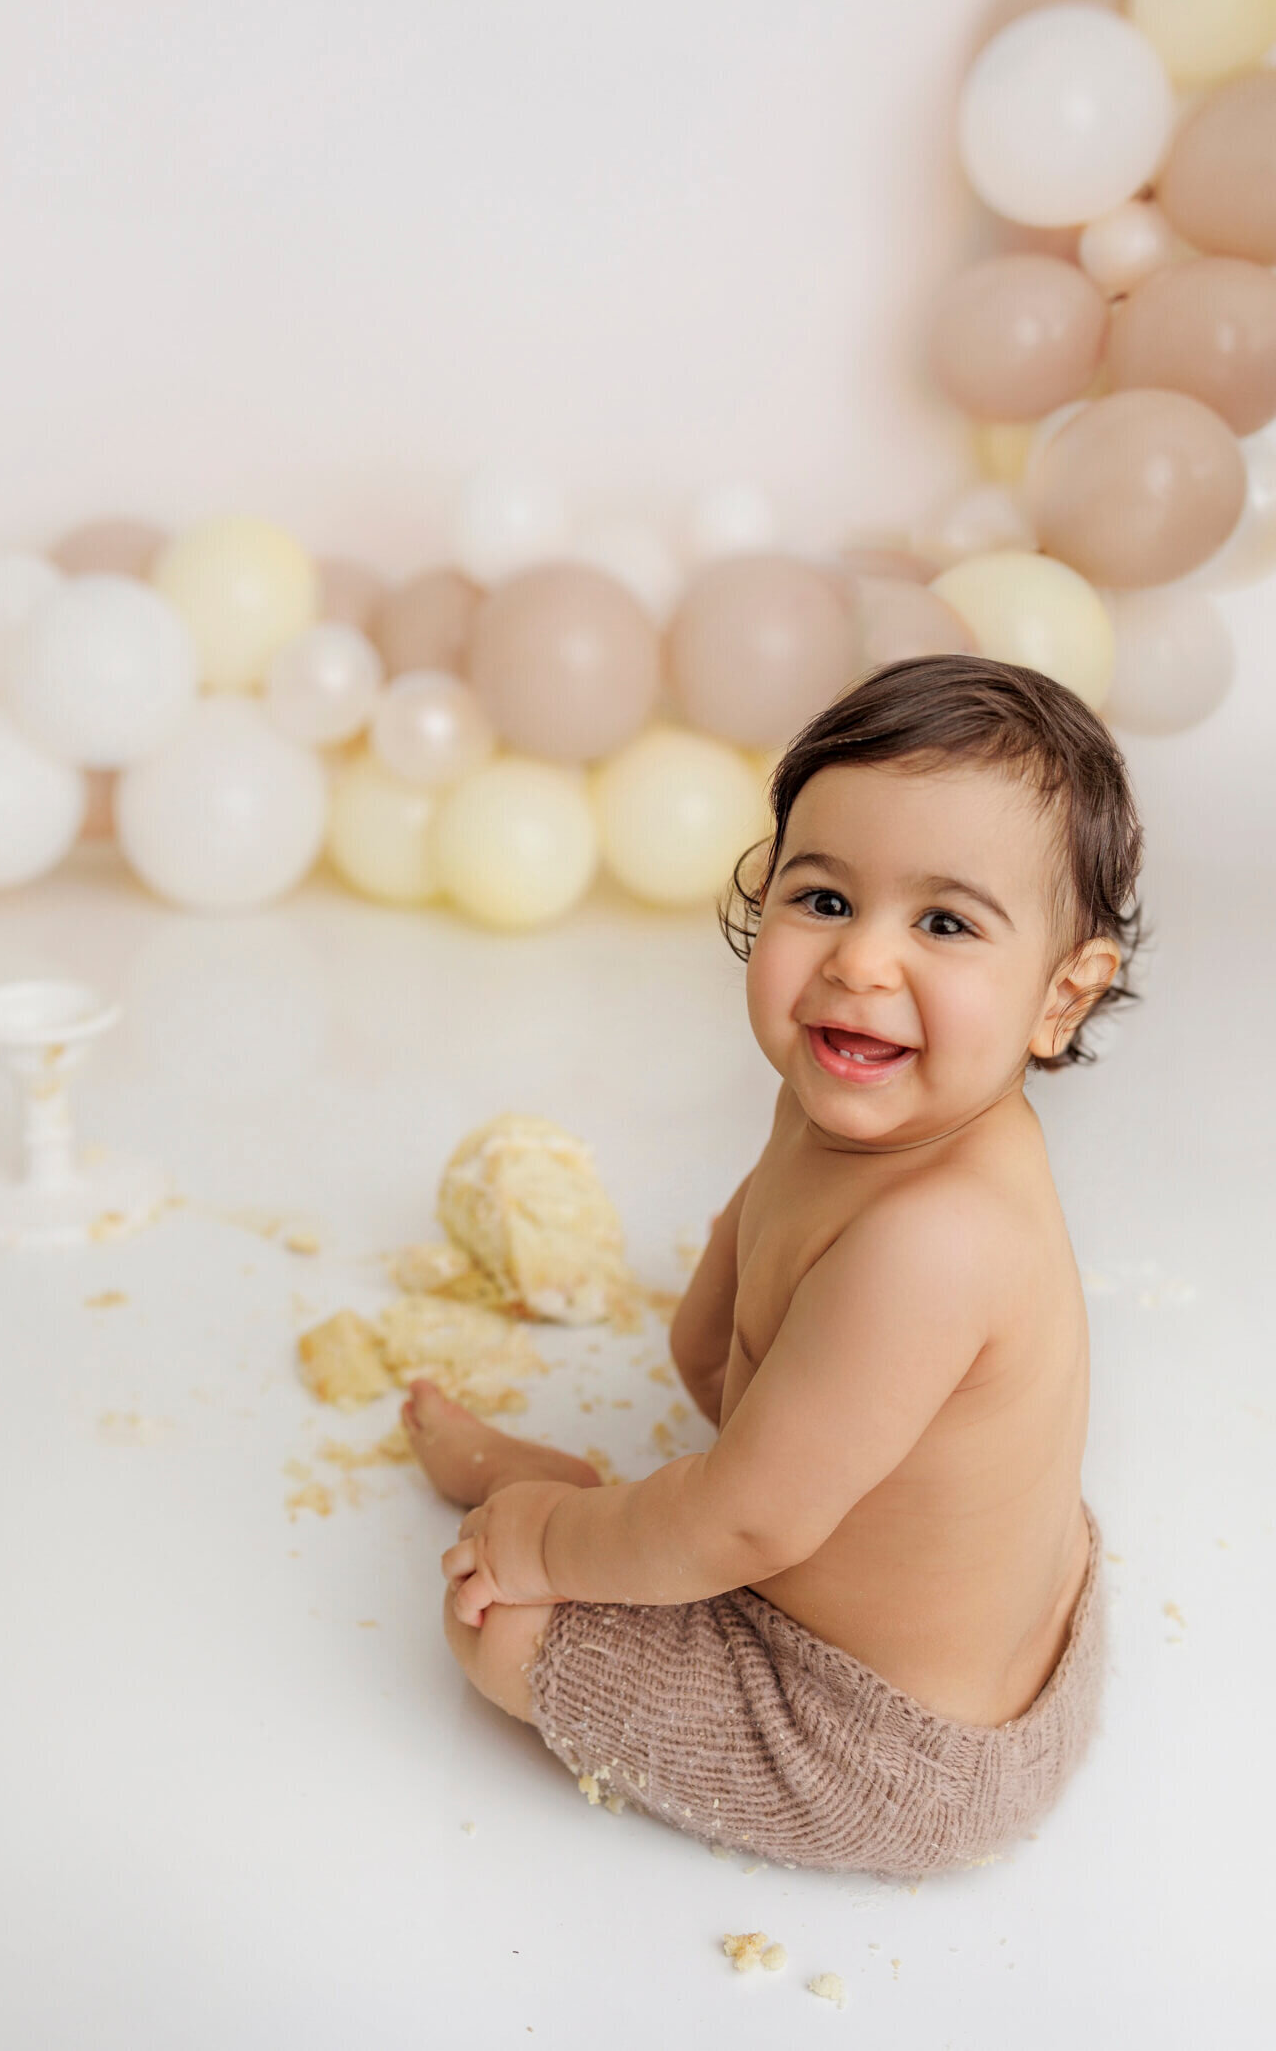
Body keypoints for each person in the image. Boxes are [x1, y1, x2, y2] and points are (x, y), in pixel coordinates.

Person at [401, 651, 1148, 1876]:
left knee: (493, 1627)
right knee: (744, 1476)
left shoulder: (941, 1234)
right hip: (920, 1594)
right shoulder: (859, 1092)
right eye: (823, 900)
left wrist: (547, 1542)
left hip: (889, 1746)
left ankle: (537, 1496)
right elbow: (749, 1254)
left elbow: (748, 1523)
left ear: (1059, 998)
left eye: (945, 922)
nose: (859, 963)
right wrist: (708, 1349)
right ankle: (622, 1520)